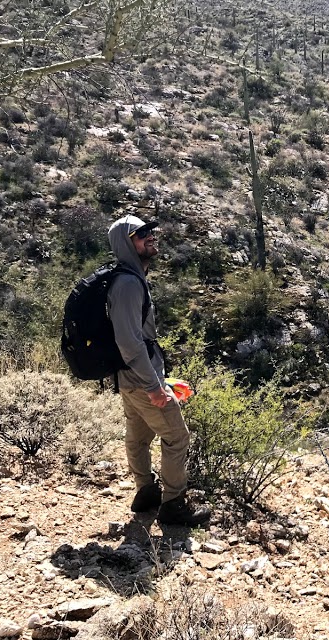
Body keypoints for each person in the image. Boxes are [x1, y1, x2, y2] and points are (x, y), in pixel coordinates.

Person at [107, 214, 211, 527]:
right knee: (177, 437)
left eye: (151, 231)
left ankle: (146, 493)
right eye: (141, 234)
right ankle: (173, 505)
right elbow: (130, 342)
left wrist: (159, 377)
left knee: (138, 437)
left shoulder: (128, 278)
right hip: (140, 379)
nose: (151, 237)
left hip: (130, 377)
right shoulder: (127, 284)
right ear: (127, 244)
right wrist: (155, 386)